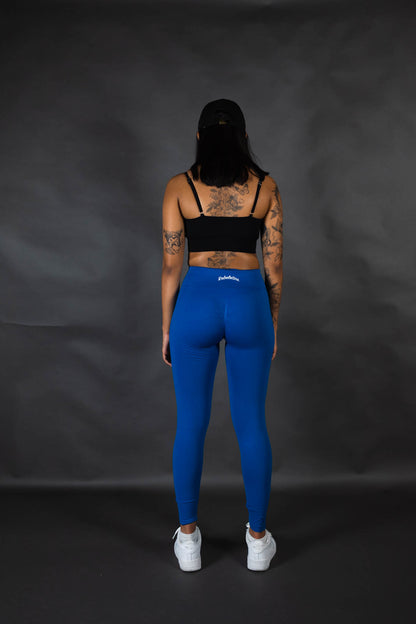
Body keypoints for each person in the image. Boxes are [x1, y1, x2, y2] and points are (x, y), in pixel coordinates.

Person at [161, 99, 283, 572]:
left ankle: (189, 540)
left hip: (196, 304)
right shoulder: (266, 187)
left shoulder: (179, 187)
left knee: (190, 423)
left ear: (199, 138)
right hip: (249, 303)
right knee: (251, 423)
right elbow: (273, 266)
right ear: (243, 138)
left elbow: (172, 265)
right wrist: (272, 321)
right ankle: (258, 541)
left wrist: (167, 327)